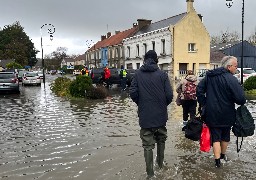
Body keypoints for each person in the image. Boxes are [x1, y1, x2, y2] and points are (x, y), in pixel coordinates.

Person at [129, 50, 173, 178]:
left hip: (145, 115)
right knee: (161, 139)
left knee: (147, 145)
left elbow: (132, 92)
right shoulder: (162, 75)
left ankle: (150, 174)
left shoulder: (137, 75)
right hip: (160, 115)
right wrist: (162, 105)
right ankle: (160, 165)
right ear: (156, 60)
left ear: (144, 59)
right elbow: (169, 95)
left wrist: (141, 103)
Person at [196, 56, 246, 168]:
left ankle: (217, 162)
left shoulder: (209, 76)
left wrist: (204, 103)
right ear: (229, 67)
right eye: (235, 66)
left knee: (216, 137)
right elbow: (241, 99)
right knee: (225, 136)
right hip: (227, 113)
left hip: (211, 113)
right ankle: (222, 157)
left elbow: (199, 90)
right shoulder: (232, 79)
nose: (236, 69)